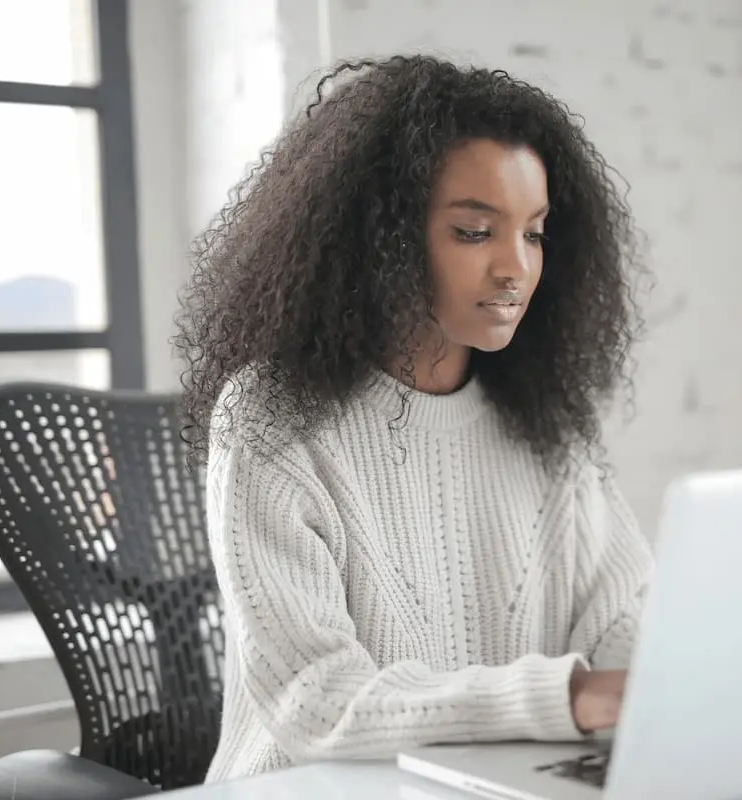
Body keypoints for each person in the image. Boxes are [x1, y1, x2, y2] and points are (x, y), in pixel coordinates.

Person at [174, 54, 654, 782]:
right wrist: (568, 697)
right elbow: (316, 699)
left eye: (534, 233)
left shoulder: (546, 423)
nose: (515, 268)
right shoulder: (272, 420)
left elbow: (622, 619)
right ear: (384, 239)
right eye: (474, 232)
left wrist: (664, 682)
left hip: (491, 784)